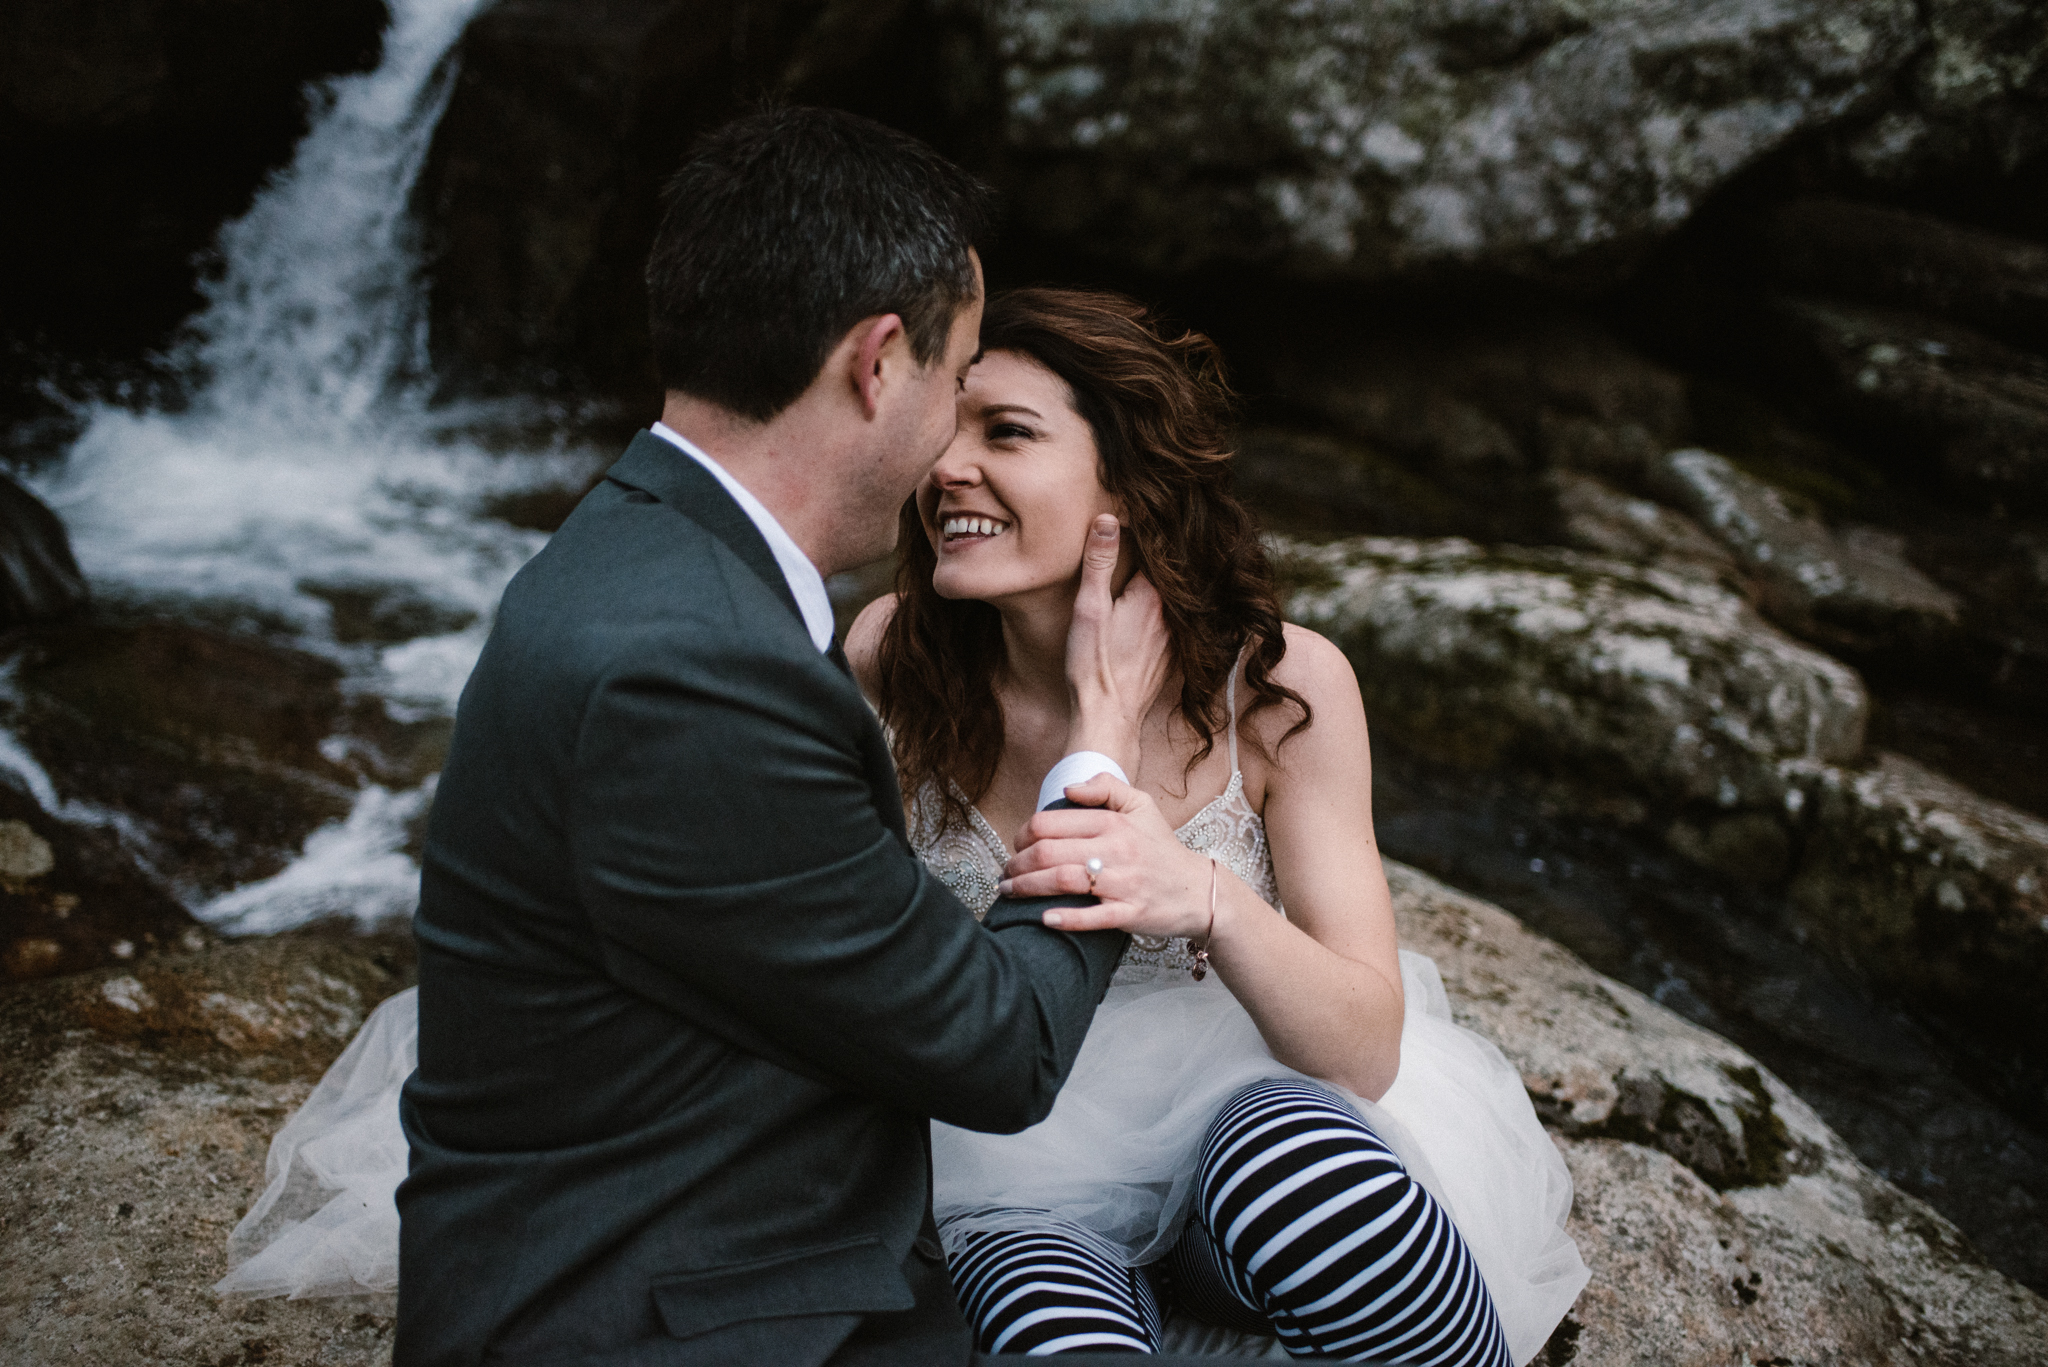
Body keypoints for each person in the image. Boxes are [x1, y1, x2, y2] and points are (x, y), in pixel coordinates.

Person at [252, 105, 1219, 1367]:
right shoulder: (693, 669)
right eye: (956, 376)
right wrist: (1093, 746)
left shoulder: (654, 547)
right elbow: (997, 1045)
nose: (948, 451)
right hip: (682, 1317)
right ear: (878, 363)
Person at [843, 287, 1590, 1363]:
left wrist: (1203, 897)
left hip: (1241, 1118)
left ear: (1129, 478)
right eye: (941, 429)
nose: (945, 467)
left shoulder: (1280, 687)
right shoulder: (888, 658)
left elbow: (1363, 1046)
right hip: (1005, 1161)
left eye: (1004, 431)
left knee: (1305, 1181)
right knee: (1049, 1333)